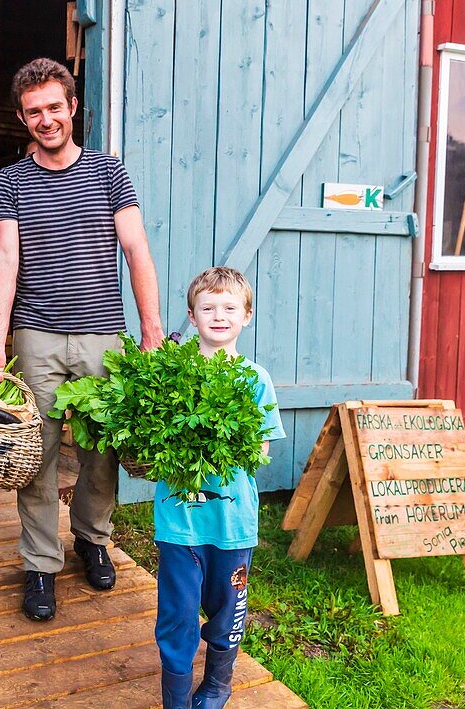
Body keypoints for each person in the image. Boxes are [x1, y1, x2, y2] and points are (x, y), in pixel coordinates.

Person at [0, 58, 165, 621]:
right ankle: (40, 564)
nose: (46, 119)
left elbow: (136, 249)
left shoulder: (110, 172)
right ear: (22, 118)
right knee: (35, 454)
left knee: (100, 452)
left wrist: (151, 331)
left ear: (72, 107)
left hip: (103, 334)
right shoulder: (10, 180)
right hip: (36, 336)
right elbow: (3, 259)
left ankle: (91, 538)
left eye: (55, 107)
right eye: (34, 112)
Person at [153, 267, 285, 709]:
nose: (219, 315)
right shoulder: (173, 375)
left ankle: (215, 686)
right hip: (178, 521)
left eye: (230, 307)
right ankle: (174, 696)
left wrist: (221, 442)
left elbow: (260, 448)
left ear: (247, 315)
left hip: (233, 522)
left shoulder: (255, 379)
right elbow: (151, 437)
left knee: (227, 609)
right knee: (176, 614)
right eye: (208, 308)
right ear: (192, 317)